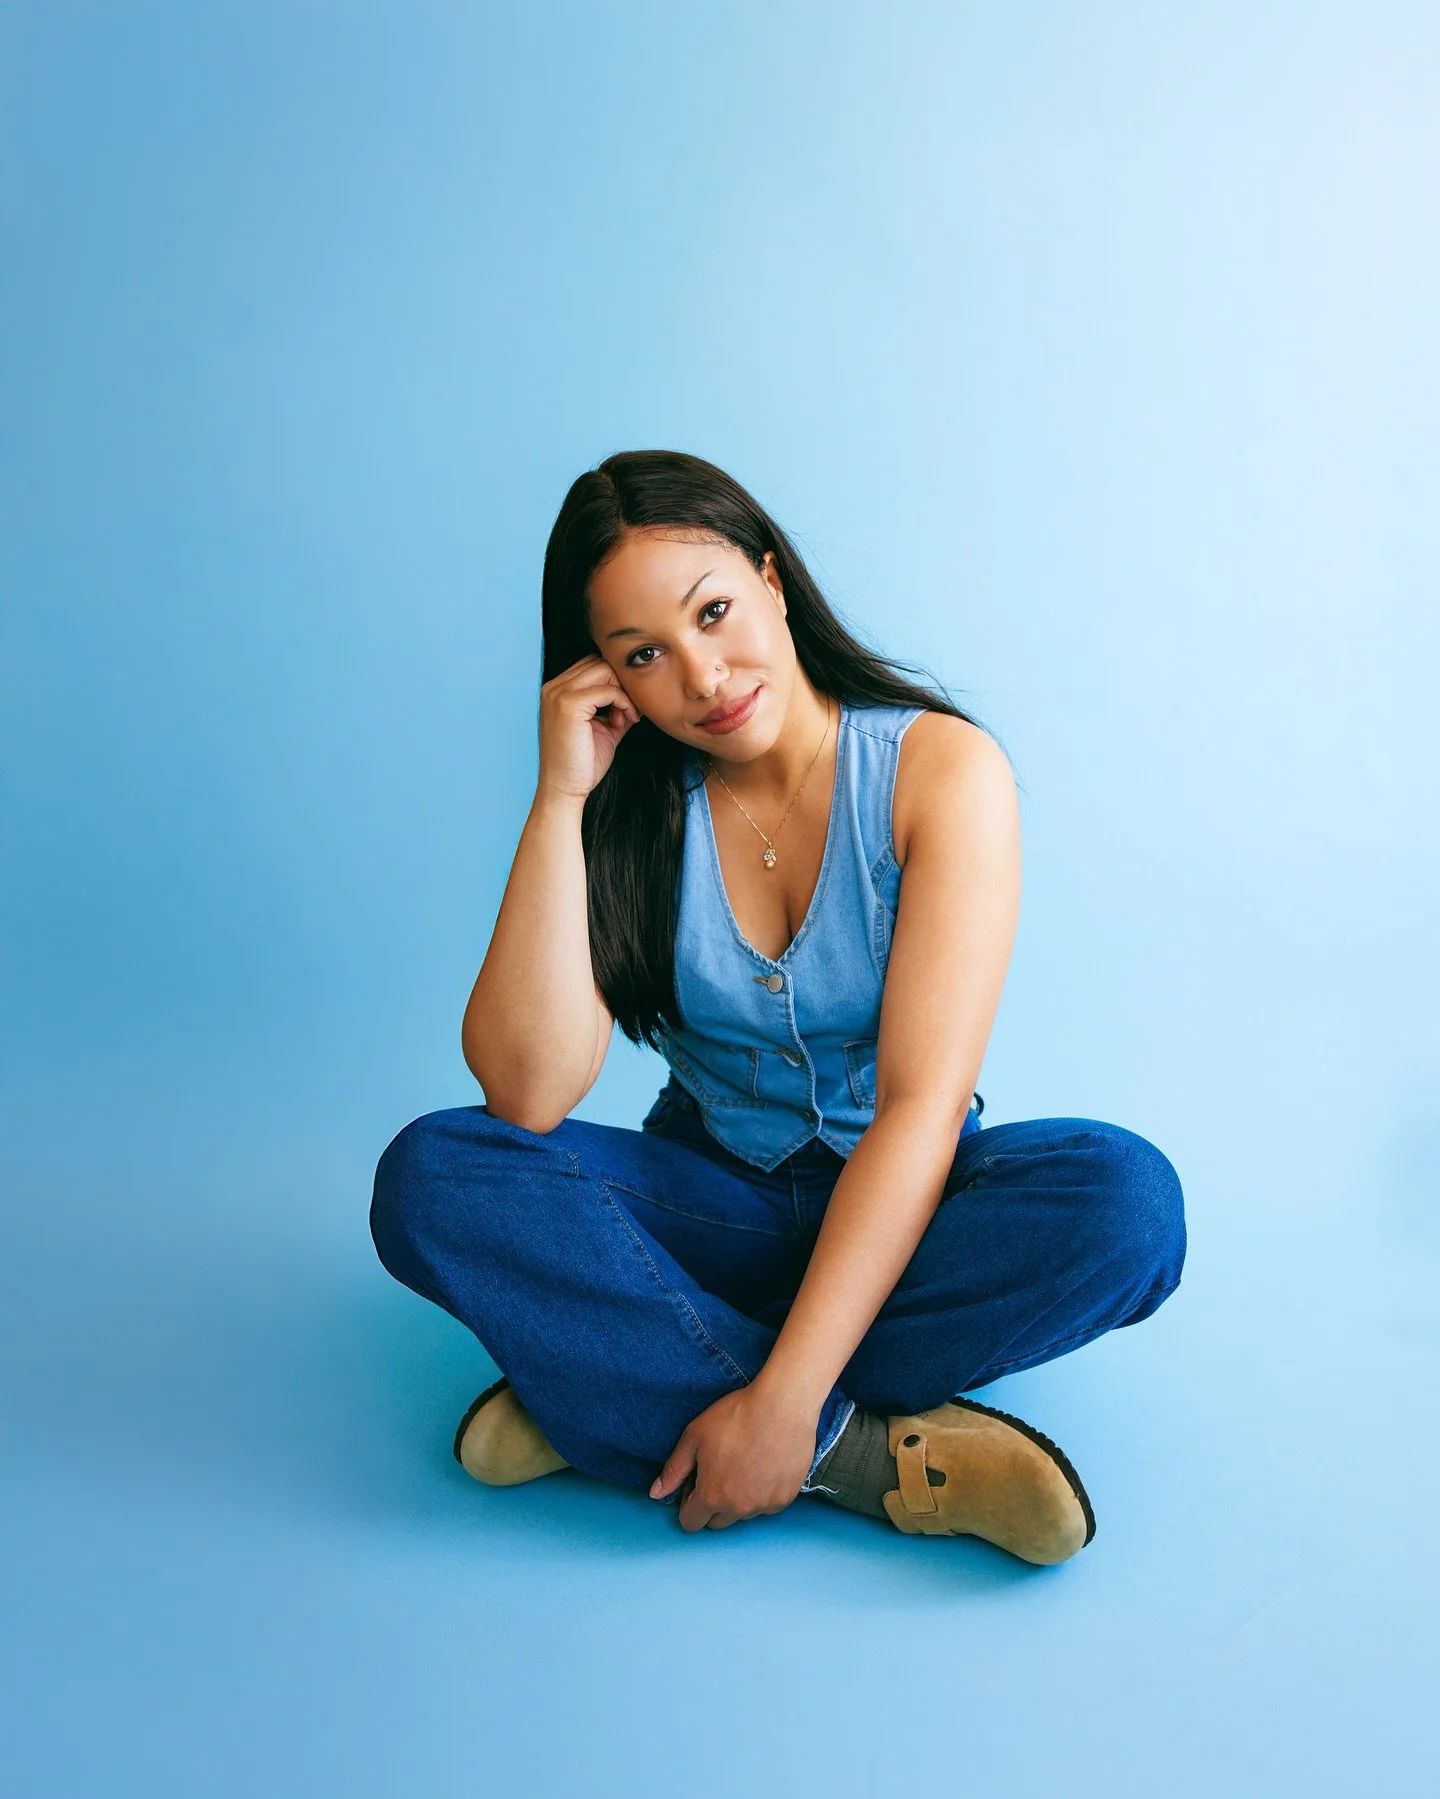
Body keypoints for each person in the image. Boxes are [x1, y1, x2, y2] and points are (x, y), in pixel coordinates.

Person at [370, 449, 1185, 1565]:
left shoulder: (940, 772)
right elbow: (524, 1089)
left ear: (772, 578)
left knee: (1128, 1203)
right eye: (644, 654)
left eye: (714, 612)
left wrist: (781, 1390)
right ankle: (858, 1453)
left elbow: (920, 1107)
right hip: (707, 1202)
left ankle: (618, 1386)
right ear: (602, 674)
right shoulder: (628, 801)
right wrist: (561, 793)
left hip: (907, 1204)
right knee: (432, 1175)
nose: (701, 677)